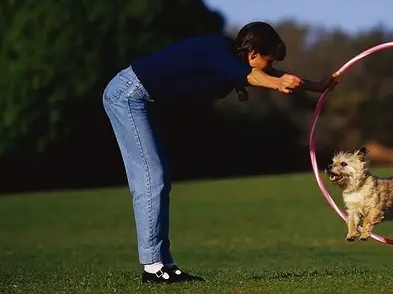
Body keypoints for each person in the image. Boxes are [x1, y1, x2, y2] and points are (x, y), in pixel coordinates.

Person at [102, 21, 340, 284]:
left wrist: (316, 86)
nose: (270, 68)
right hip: (127, 96)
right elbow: (254, 77)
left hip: (143, 100)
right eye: (268, 61)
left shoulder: (233, 60)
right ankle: (154, 267)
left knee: (158, 178)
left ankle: (162, 264)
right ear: (252, 55)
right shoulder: (218, 51)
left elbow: (270, 76)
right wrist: (275, 82)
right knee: (152, 178)